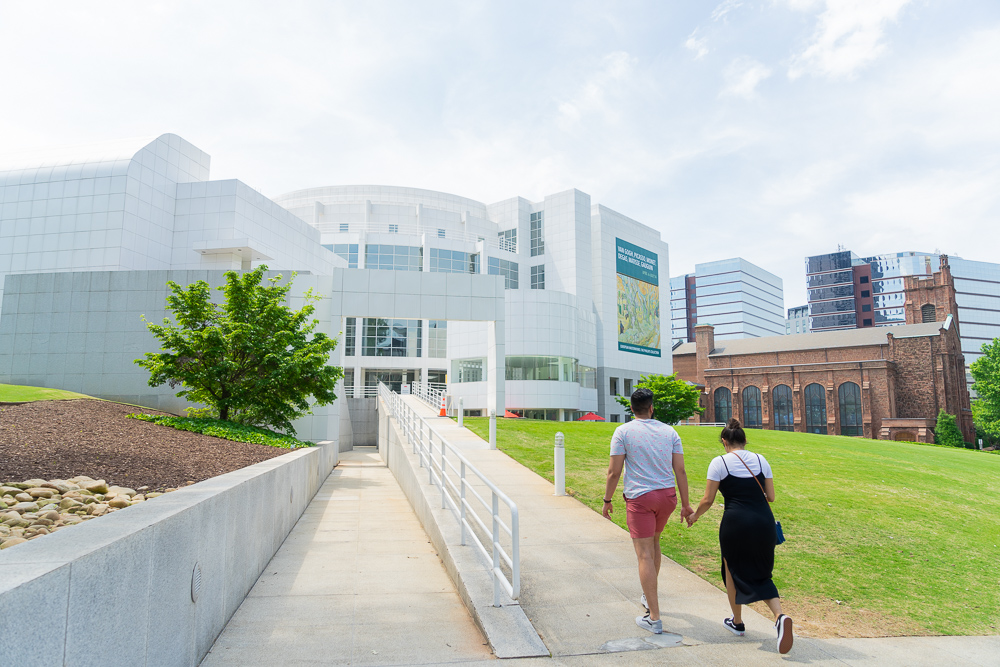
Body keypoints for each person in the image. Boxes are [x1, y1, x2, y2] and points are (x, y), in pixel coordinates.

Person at [686, 418, 793, 655]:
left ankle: (737, 622)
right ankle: (779, 616)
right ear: (745, 441)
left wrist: (694, 516)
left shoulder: (719, 462)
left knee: (731, 568)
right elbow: (772, 496)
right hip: (763, 521)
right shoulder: (761, 459)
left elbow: (708, 499)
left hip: (735, 523)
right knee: (762, 572)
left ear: (724, 441)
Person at [602, 387, 693, 634]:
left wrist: (607, 499)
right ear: (652, 408)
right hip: (667, 497)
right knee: (654, 543)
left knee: (643, 554)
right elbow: (681, 471)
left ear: (631, 409)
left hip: (641, 499)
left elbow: (614, 471)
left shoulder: (623, 431)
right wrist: (686, 505)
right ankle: (647, 593)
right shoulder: (670, 431)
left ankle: (654, 617)